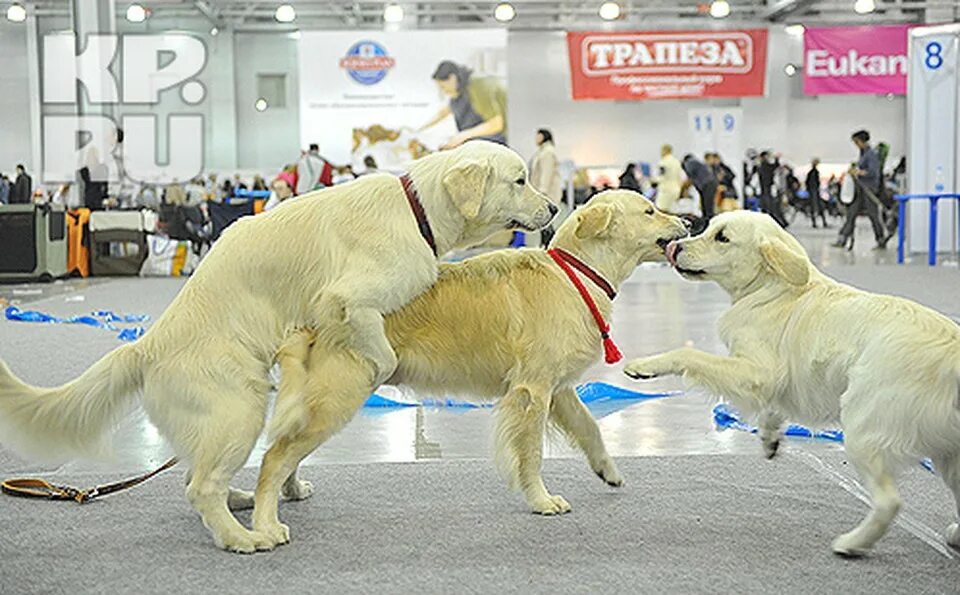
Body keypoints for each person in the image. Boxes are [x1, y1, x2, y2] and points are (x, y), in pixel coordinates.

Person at [421, 61, 507, 149]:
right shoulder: (463, 91)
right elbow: (442, 113)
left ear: (452, 78)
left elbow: (496, 124)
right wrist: (420, 129)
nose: (444, 91)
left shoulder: (477, 84)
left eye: (443, 87)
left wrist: (462, 136)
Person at [834, 130, 888, 250]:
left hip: (869, 190)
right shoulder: (863, 154)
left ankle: (881, 240)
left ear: (862, 141)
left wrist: (857, 172)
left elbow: (873, 172)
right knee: (851, 213)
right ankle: (842, 239)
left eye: (856, 142)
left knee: (873, 214)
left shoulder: (871, 154)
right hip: (860, 190)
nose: (855, 144)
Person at [529, 129, 562, 247]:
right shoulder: (542, 151)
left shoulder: (547, 152)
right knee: (545, 224)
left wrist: (542, 191)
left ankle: (550, 248)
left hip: (547, 193)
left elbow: (546, 173)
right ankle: (547, 247)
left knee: (547, 224)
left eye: (538, 136)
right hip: (543, 192)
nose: (536, 139)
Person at [682, 154, 718, 226]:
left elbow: (689, 179)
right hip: (710, 183)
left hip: (707, 184)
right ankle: (707, 223)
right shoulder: (696, 162)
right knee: (706, 206)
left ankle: (710, 225)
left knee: (707, 207)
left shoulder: (689, 163)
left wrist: (683, 189)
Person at [757, 151, 788, 228]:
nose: (768, 158)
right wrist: (777, 159)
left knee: (768, 208)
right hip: (767, 189)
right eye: (767, 156)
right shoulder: (764, 166)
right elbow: (774, 166)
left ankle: (777, 223)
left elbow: (774, 166)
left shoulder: (761, 166)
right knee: (770, 208)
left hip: (765, 190)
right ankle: (779, 223)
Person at [653, 144, 683, 213]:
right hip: (676, 190)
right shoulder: (677, 162)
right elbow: (680, 177)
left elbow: (661, 176)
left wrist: (653, 180)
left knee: (661, 211)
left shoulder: (663, 162)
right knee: (673, 212)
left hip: (666, 190)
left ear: (664, 151)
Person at [806, 158, 828, 229]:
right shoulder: (814, 172)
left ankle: (816, 223)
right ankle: (822, 222)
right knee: (818, 207)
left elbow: (808, 183)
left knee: (815, 207)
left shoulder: (811, 172)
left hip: (813, 192)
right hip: (814, 192)